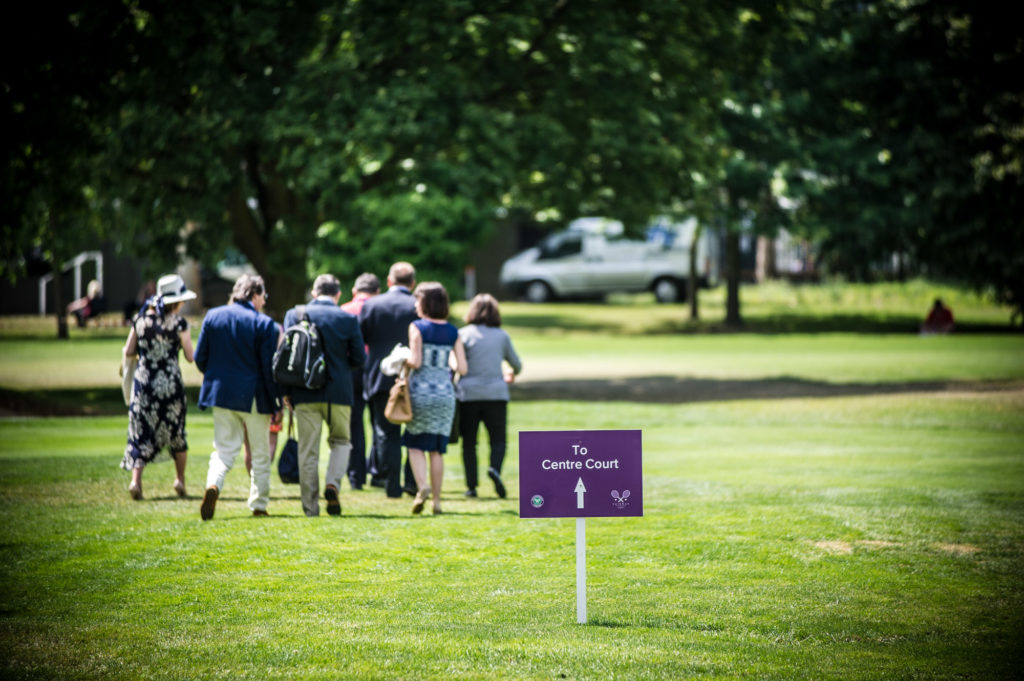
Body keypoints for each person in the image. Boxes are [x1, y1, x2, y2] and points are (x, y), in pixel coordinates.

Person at [194, 274, 280, 520]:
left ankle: (214, 485)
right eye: (263, 296)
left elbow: (201, 359)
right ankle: (259, 504)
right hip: (253, 395)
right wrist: (275, 400)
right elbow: (268, 369)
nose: (264, 301)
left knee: (223, 450)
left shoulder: (213, 316)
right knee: (260, 452)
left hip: (220, 394)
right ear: (254, 295)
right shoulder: (264, 324)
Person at [282, 274, 366, 517]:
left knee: (308, 451)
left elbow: (287, 357)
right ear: (338, 295)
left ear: (314, 293)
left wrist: (286, 392)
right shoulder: (348, 318)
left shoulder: (295, 315)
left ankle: (310, 508)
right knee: (341, 441)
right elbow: (360, 358)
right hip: (339, 392)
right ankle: (333, 484)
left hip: (304, 391)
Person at [120, 274, 196, 499]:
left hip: (144, 385)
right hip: (171, 385)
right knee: (177, 434)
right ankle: (179, 480)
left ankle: (136, 481)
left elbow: (128, 351)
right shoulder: (180, 324)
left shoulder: (141, 320)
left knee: (140, 432)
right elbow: (191, 357)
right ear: (178, 301)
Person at [403, 282, 468, 515]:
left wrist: (402, 358)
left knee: (414, 444)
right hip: (445, 394)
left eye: (417, 300)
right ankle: (437, 502)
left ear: (426, 303)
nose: (415, 304)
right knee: (437, 449)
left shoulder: (417, 327)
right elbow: (462, 366)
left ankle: (423, 486)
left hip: (421, 392)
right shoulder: (453, 331)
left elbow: (416, 361)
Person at [359, 262, 420, 499]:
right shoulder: (418, 305)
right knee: (414, 431)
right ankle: (412, 481)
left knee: (385, 432)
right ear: (412, 283)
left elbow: (360, 339)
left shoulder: (372, 305)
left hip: (379, 376)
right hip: (412, 377)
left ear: (389, 281)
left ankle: (391, 484)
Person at [456, 293, 523, 499]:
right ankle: (494, 468)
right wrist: (510, 373)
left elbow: (458, 365)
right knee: (498, 440)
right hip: (496, 393)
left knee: (469, 442)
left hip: (468, 394)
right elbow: (517, 365)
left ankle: (471, 486)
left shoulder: (463, 334)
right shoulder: (501, 336)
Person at [340, 272, 380, 490]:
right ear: (378, 292)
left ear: (355, 291)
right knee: (379, 424)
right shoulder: (380, 309)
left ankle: (356, 476)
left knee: (354, 424)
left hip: (350, 371)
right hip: (376, 370)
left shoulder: (344, 310)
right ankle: (377, 470)